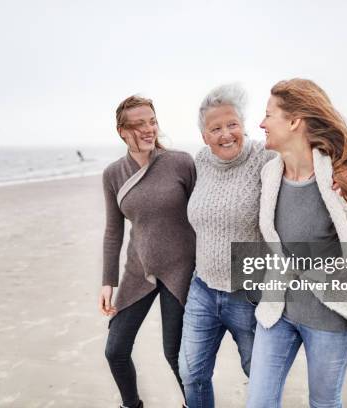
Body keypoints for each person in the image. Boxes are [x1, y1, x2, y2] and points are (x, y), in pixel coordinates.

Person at [248, 78, 347, 408]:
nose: (260, 123)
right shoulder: (270, 174)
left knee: (323, 403)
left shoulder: (342, 180)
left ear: (294, 121)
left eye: (268, 114)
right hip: (277, 314)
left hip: (331, 320)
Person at [178, 84, 276, 408]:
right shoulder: (201, 161)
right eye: (215, 128)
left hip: (248, 295)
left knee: (259, 375)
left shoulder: (266, 157)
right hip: (202, 288)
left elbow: (308, 158)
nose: (225, 134)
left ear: (243, 125)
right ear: (204, 136)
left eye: (232, 124)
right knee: (192, 374)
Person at [100, 95, 196, 408]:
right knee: (115, 349)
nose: (148, 129)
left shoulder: (180, 163)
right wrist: (107, 282)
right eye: (138, 124)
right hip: (138, 270)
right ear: (122, 131)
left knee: (175, 354)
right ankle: (131, 405)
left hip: (180, 270)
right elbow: (114, 231)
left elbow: (204, 215)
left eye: (152, 121)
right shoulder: (113, 174)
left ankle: (192, 404)